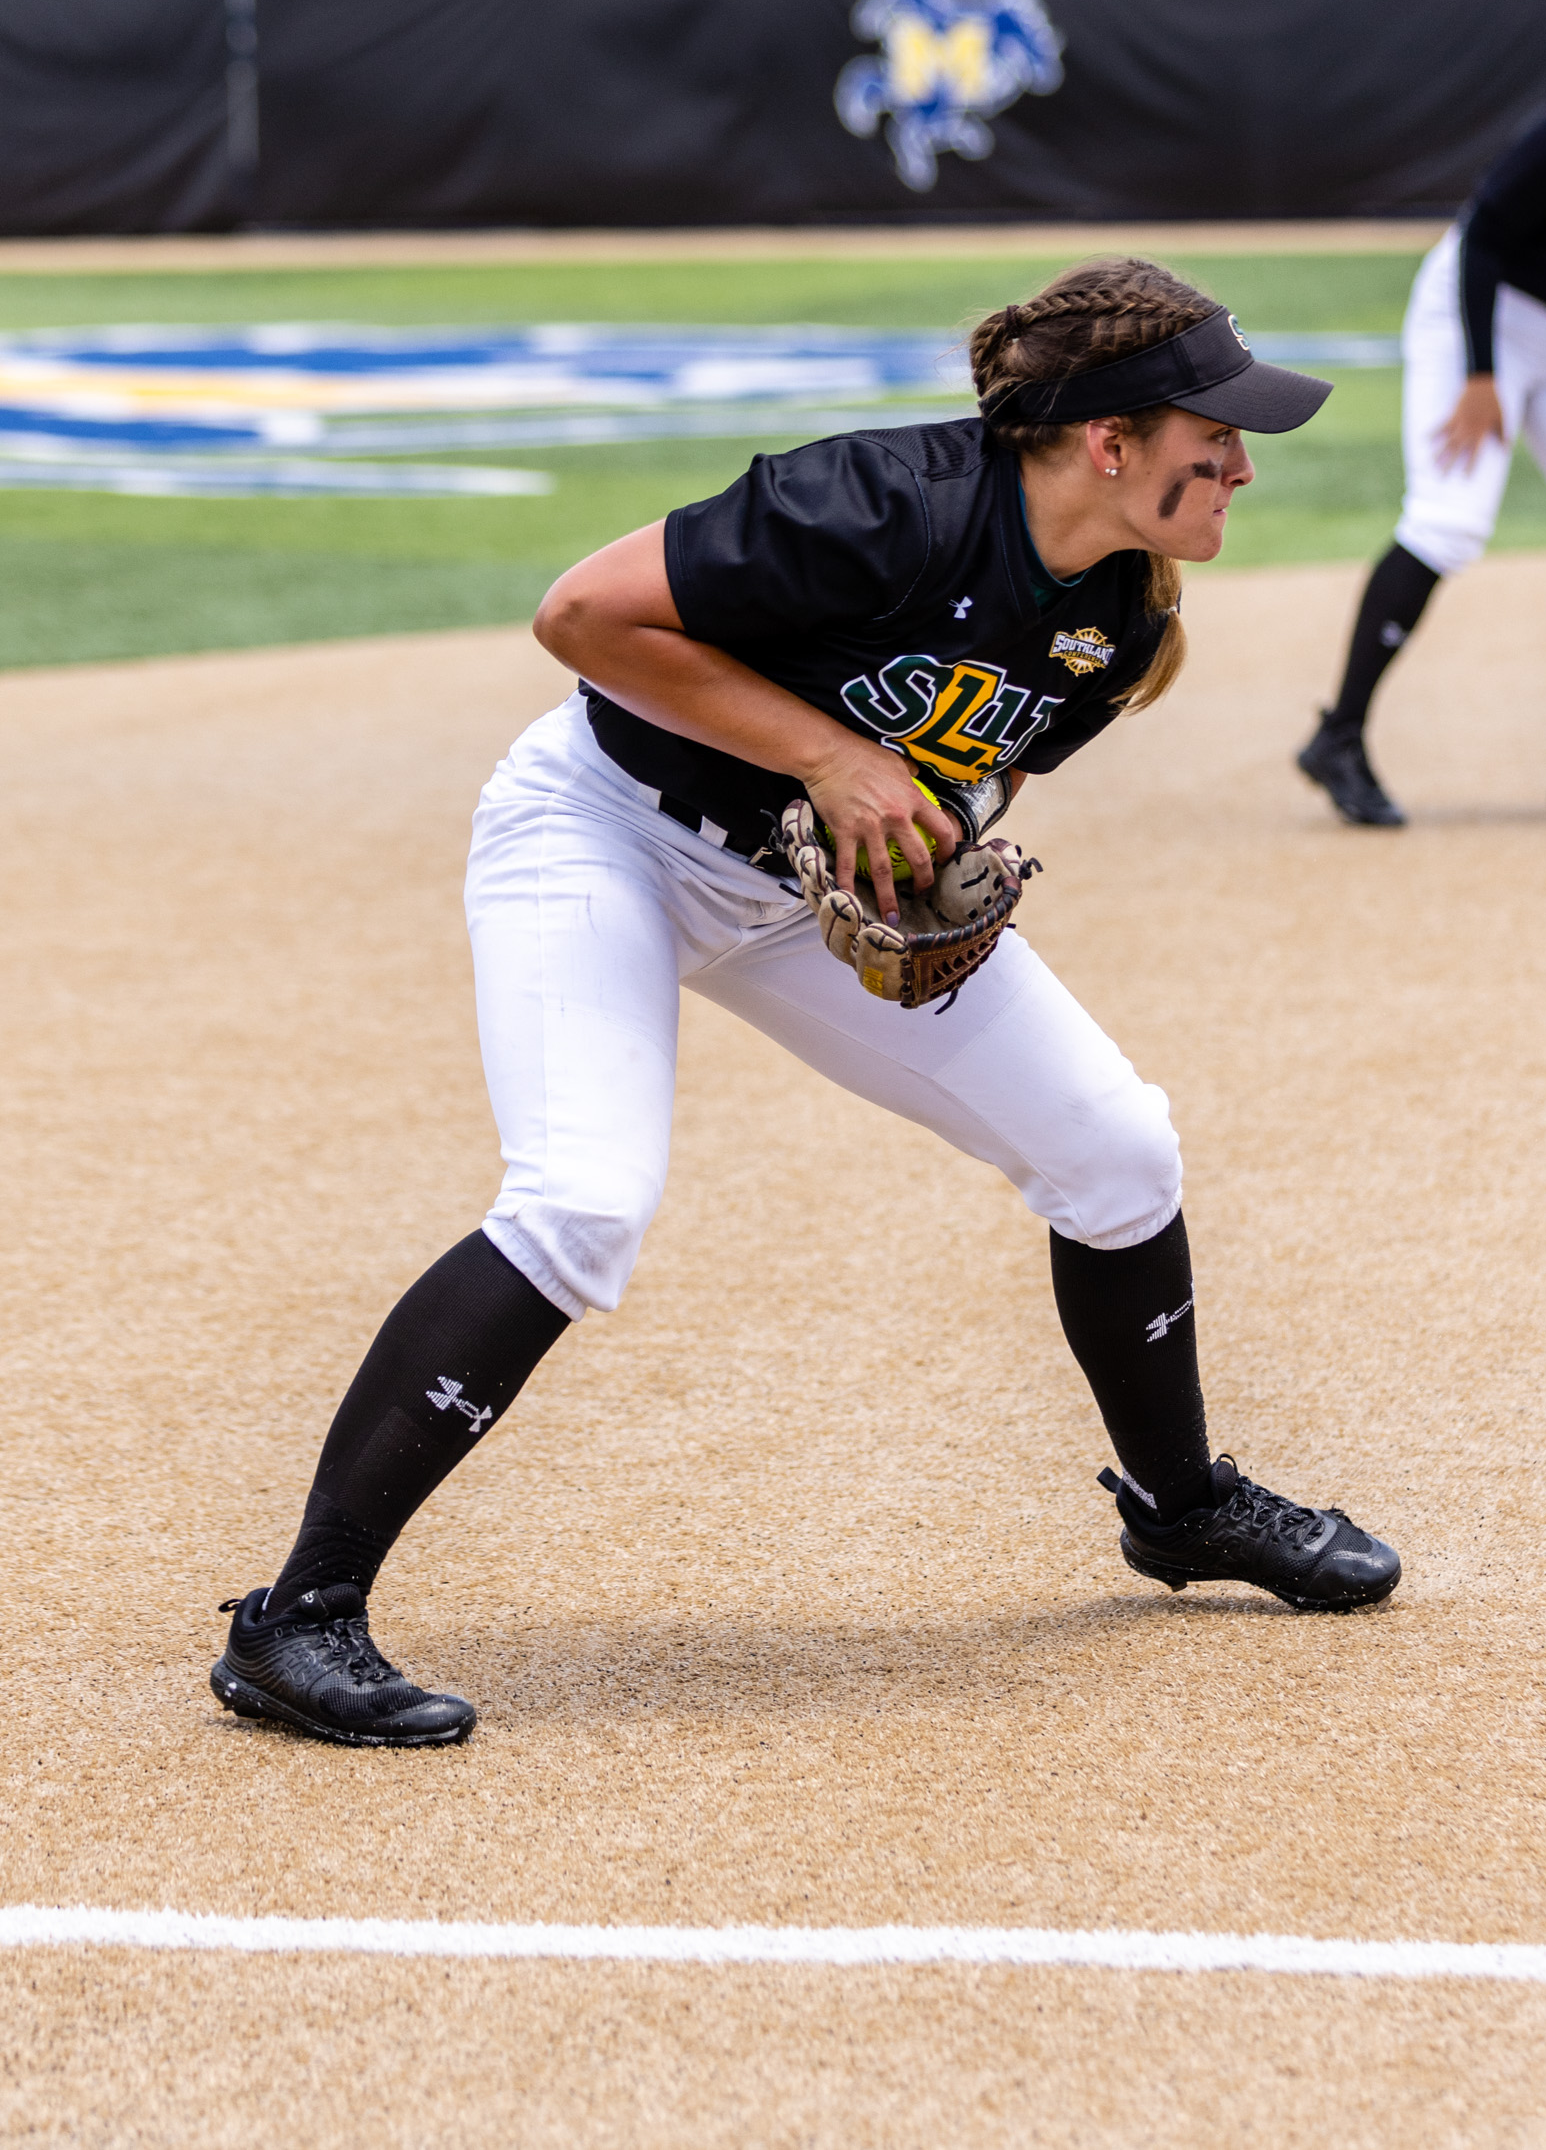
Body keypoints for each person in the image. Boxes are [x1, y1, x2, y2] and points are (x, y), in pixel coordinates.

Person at [211, 259, 1401, 1751]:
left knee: (1115, 1150)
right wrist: (831, 761)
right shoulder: (877, 503)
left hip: (792, 893)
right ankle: (297, 1617)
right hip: (607, 836)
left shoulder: (1118, 619)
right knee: (582, 1201)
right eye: (1210, 435)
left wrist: (925, 861)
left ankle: (1178, 1507)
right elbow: (581, 616)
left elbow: (964, 769)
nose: (1239, 463)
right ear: (1107, 441)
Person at [1298, 39, 1546, 828]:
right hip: (1483, 310)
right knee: (1450, 520)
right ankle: (1338, 736)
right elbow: (1485, 235)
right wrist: (1478, 376)